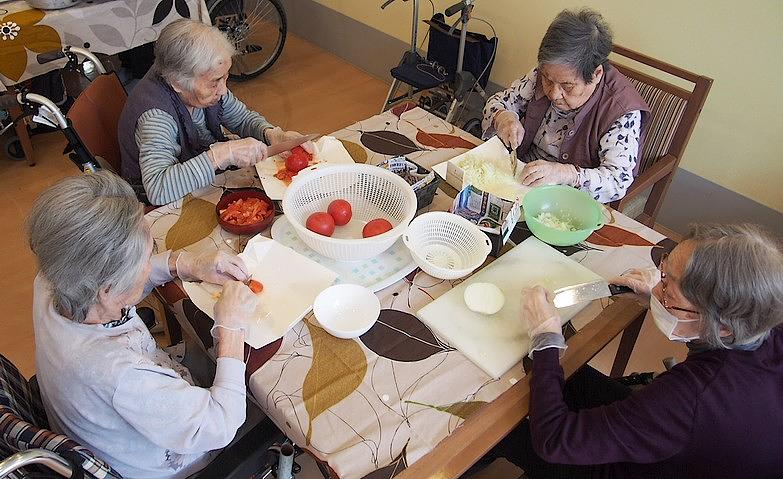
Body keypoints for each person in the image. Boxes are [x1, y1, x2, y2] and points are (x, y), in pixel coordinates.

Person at [487, 224, 783, 478]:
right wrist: (659, 299)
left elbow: (553, 440)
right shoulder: (762, 323)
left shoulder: (689, 397)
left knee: (496, 427)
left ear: (722, 327)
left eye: (669, 291)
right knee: (571, 377)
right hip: (692, 452)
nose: (658, 288)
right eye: (663, 273)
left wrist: (545, 338)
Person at [28, 171, 260, 478]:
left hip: (133, 413)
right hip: (176, 463)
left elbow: (109, 279)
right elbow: (221, 423)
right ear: (109, 289)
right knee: (268, 401)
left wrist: (188, 263)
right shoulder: (118, 375)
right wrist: (231, 328)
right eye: (146, 256)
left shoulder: (54, 278)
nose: (151, 259)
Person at [118, 19, 314, 205]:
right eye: (214, 82)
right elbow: (158, 190)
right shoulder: (156, 117)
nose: (223, 90)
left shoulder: (195, 80)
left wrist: (272, 134)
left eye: (225, 77)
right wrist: (221, 155)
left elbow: (242, 118)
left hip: (195, 167)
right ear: (178, 83)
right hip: (162, 199)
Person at [482, 9, 649, 203]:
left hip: (569, 202)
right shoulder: (545, 74)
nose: (553, 93)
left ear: (596, 75)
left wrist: (566, 174)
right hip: (520, 179)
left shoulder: (621, 110)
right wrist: (504, 117)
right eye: (547, 79)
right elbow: (497, 102)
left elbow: (617, 181)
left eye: (567, 86)